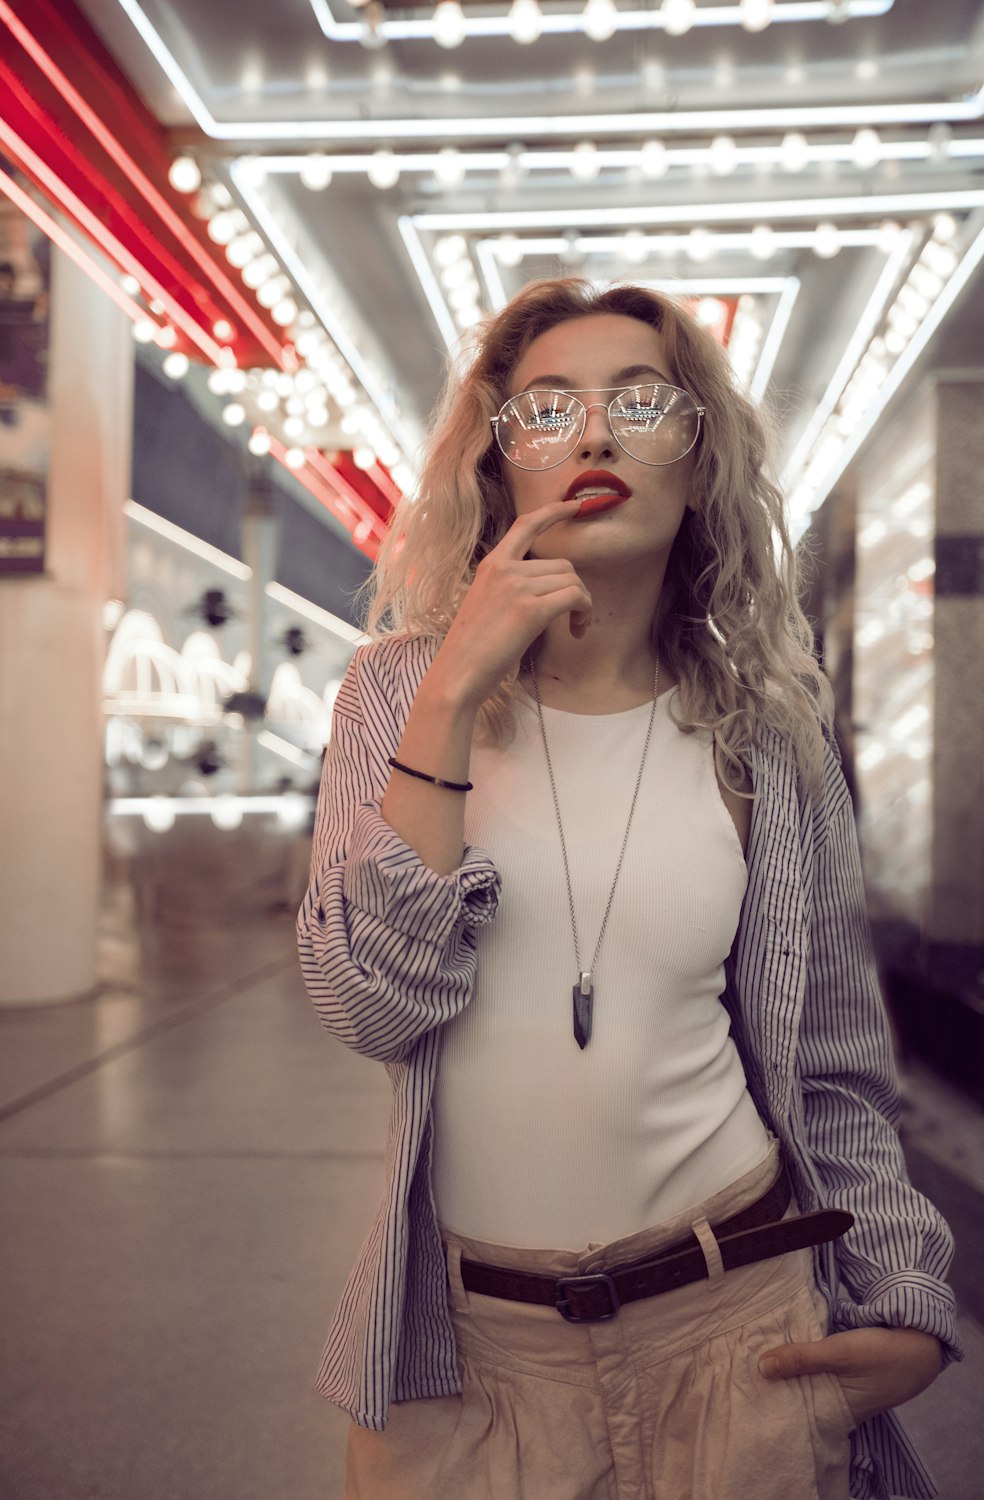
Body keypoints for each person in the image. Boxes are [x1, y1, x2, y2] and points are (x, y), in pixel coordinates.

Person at [296, 278, 962, 1500]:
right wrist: (450, 695)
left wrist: (910, 1301)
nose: (593, 434)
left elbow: (831, 1063)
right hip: (469, 1360)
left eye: (639, 403)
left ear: (699, 467)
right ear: (499, 470)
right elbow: (365, 1008)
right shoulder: (392, 695)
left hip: (740, 1327)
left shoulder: (768, 734)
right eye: (546, 409)